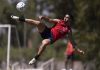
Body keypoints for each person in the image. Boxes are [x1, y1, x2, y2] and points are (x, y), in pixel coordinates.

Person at [11, 14, 82, 65]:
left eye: (67, 17)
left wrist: (78, 50)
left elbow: (72, 41)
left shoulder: (68, 30)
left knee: (44, 43)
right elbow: (49, 20)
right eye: (65, 17)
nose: (65, 18)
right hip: (47, 31)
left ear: (70, 20)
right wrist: (43, 17)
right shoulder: (59, 21)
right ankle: (19, 19)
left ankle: (35, 58)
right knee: (38, 23)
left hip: (51, 38)